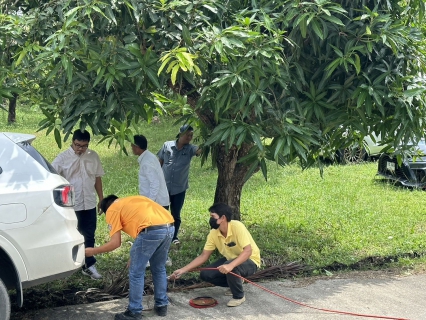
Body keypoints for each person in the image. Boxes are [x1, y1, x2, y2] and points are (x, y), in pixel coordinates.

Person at [86, 195, 174, 320]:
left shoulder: (112, 209)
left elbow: (115, 243)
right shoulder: (133, 201)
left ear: (106, 208)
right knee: (159, 267)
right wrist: (134, 256)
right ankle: (161, 305)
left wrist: (92, 251)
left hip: (150, 231)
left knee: (136, 272)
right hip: (169, 227)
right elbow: (141, 225)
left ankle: (134, 311)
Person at [170, 203, 260, 307]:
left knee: (231, 266)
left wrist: (230, 266)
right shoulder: (213, 233)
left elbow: (248, 251)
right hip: (230, 260)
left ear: (223, 218)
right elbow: (204, 255)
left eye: (213, 216)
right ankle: (237, 282)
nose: (210, 219)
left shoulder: (237, 226)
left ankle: (239, 296)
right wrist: (183, 270)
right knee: (206, 274)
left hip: (250, 260)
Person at [52, 129, 104, 280]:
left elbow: (97, 178)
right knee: (72, 234)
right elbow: (52, 178)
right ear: (72, 142)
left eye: (84, 146)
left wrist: (101, 198)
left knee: (89, 234)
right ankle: (69, 264)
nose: (80, 149)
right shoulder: (62, 158)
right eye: (77, 145)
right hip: (71, 204)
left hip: (88, 202)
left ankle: (89, 264)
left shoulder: (93, 156)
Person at [157, 125, 202, 245]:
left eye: (191, 135)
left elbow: (199, 150)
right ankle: (162, 235)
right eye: (187, 134)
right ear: (180, 134)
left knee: (175, 214)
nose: (189, 137)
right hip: (164, 187)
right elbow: (160, 161)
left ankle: (174, 236)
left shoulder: (190, 149)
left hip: (179, 188)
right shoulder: (167, 145)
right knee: (162, 212)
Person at [131, 135, 169, 209]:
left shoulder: (147, 162)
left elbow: (155, 184)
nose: (131, 148)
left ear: (137, 147)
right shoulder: (149, 156)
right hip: (157, 202)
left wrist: (150, 203)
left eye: (132, 146)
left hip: (157, 203)